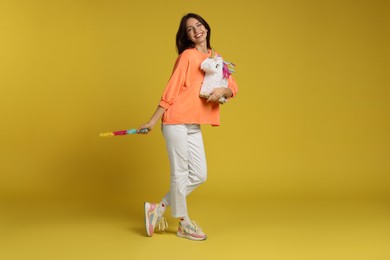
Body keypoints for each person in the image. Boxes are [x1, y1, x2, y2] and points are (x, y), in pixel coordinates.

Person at [138, 13, 238, 241]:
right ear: (187, 36)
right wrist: (153, 121)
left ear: (206, 28)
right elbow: (171, 90)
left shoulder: (217, 59)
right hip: (175, 121)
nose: (196, 30)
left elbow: (233, 87)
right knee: (180, 173)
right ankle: (184, 223)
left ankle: (158, 208)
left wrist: (224, 91)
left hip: (193, 124)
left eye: (199, 25)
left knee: (199, 174)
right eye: (190, 29)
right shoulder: (187, 57)